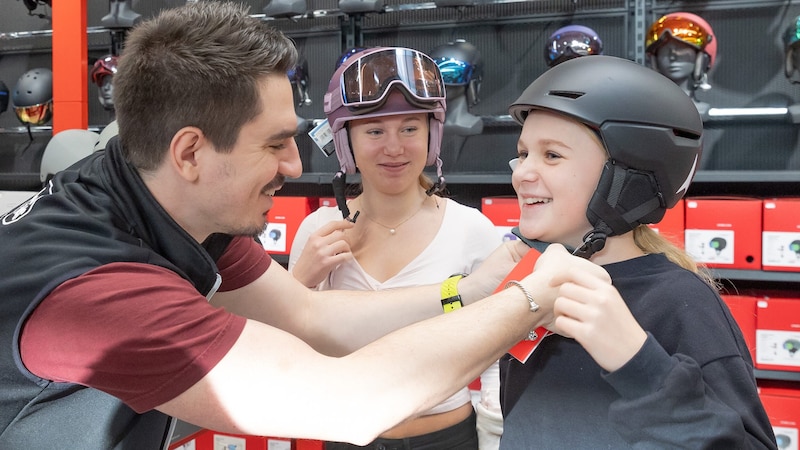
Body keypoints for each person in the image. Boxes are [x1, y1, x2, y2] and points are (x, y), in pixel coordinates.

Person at [0, 2, 603, 447]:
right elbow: (348, 402)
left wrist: (467, 291)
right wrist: (528, 299)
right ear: (190, 154)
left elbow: (311, 317)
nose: (295, 165)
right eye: (276, 144)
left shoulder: (160, 200)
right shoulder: (98, 290)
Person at [497, 55, 778, 448]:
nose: (521, 173)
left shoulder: (682, 304)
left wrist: (638, 361)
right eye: (523, 153)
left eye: (552, 155)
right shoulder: (533, 283)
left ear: (627, 176)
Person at [289, 46, 502, 449]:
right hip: (346, 438)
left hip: (448, 439)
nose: (394, 147)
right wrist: (301, 282)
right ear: (346, 140)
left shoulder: (470, 229)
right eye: (374, 131)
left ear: (431, 135)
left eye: (409, 128)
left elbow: (499, 344)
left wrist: (493, 432)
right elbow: (286, 347)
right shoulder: (317, 231)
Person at [645, 11, 716, 116]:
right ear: (654, 60)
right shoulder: (646, 114)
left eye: (681, 48)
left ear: (702, 59)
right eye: (665, 50)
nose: (673, 56)